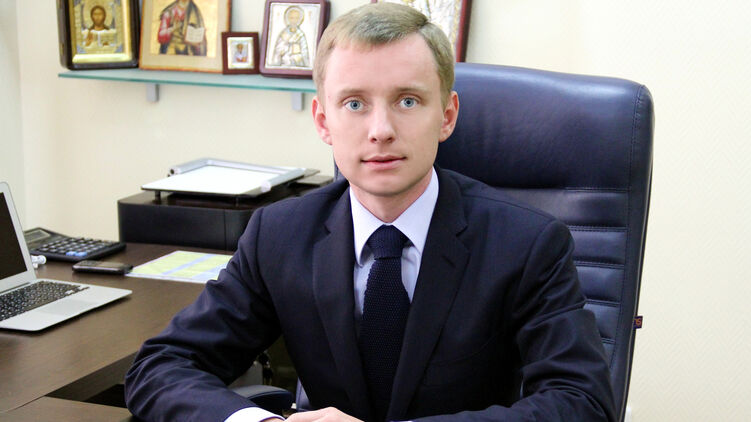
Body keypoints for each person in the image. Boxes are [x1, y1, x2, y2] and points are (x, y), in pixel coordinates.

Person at [124, 3, 616, 422]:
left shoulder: (527, 243)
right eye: (355, 104)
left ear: (446, 115)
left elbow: (583, 402)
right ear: (323, 120)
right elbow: (161, 367)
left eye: (408, 100)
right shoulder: (279, 234)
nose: (381, 129)